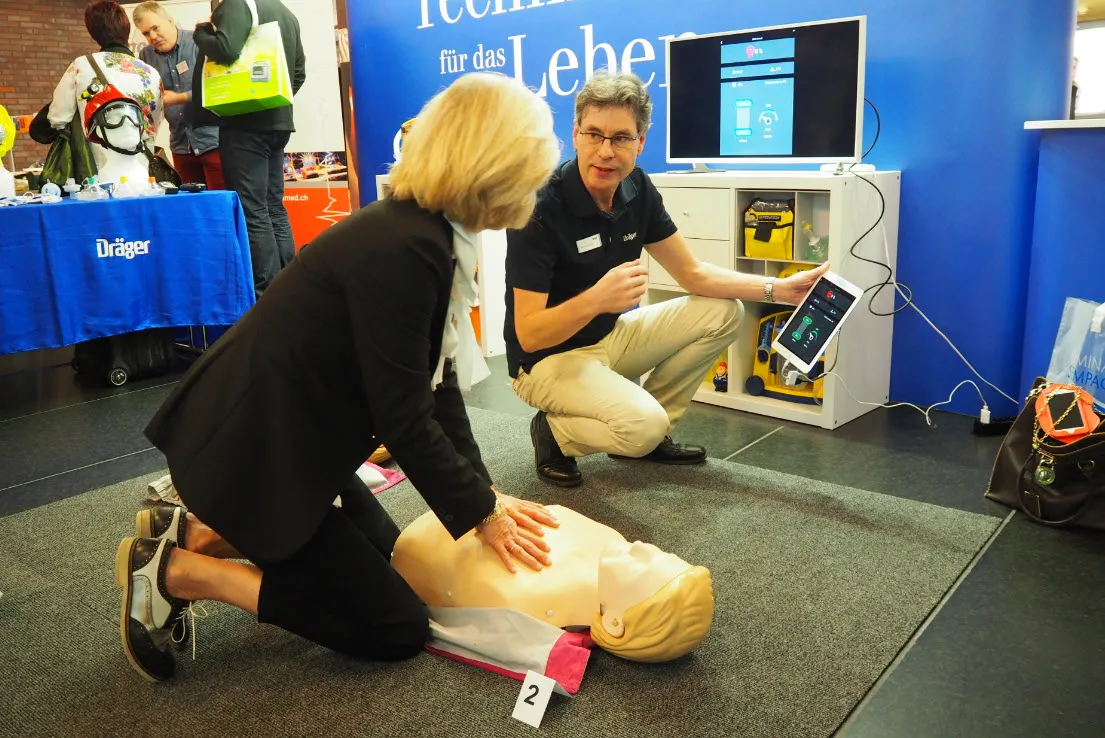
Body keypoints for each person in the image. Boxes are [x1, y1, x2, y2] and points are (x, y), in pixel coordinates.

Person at [113, 72, 563, 683]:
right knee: (394, 627)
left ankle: (200, 530)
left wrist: (483, 495)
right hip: (258, 454)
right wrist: (481, 512)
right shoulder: (408, 248)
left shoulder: (421, 231)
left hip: (292, 447)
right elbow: (403, 417)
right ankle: (182, 571)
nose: (534, 190)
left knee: (392, 558)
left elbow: (438, 386)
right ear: (495, 167)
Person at [505, 71, 829, 487]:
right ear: (576, 135)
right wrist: (597, 299)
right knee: (638, 427)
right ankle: (554, 433)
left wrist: (777, 289)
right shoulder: (539, 206)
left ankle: (651, 432)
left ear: (640, 142)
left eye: (621, 138)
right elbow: (529, 335)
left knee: (723, 311)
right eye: (594, 135)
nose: (605, 151)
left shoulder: (637, 187)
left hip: (608, 338)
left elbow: (692, 273)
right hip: (545, 363)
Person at [392, 503, 714, 663]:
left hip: (421, 537)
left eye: (642, 565)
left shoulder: (540, 600)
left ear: (616, 622)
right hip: (456, 501)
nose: (643, 546)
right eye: (662, 552)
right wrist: (483, 500)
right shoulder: (611, 543)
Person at [191, 0, 307, 297]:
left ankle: (266, 293)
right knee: (273, 206)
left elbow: (226, 50)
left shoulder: (236, 4)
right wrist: (270, 99)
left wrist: (202, 32)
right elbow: (298, 73)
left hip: (245, 125)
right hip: (279, 122)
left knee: (254, 210)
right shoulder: (285, 12)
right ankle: (289, 286)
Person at [46, 0, 163, 184]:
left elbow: (58, 118)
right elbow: (153, 125)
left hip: (96, 171)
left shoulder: (81, 66)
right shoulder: (151, 73)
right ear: (126, 28)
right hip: (141, 169)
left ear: (94, 33)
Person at [134, 1, 224, 189]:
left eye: (155, 28)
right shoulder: (145, 56)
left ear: (170, 20)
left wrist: (179, 98)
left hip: (213, 141)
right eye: (145, 33)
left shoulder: (199, 43)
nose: (152, 36)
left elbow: (217, 87)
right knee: (189, 209)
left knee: (219, 205)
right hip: (180, 146)